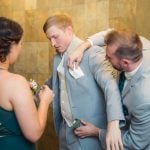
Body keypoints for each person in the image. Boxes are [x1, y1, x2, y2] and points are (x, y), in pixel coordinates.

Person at [43, 13, 124, 150]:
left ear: (68, 31)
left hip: (89, 134)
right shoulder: (57, 57)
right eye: (49, 39)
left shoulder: (92, 53)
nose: (52, 44)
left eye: (55, 37)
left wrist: (114, 124)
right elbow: (57, 81)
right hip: (65, 132)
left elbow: (110, 87)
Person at [68, 29, 150, 149]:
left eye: (109, 57)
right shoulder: (140, 44)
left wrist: (97, 132)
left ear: (125, 62)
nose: (105, 58)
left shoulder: (143, 98)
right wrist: (83, 46)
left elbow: (135, 143)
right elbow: (110, 34)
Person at [0, 17, 54, 150]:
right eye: (21, 43)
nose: (20, 48)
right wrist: (45, 101)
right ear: (12, 44)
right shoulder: (16, 83)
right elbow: (34, 134)